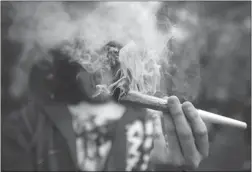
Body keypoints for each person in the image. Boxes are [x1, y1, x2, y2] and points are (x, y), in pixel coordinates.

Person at [2, 41, 209, 171]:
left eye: (106, 59)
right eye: (87, 59)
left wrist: (171, 169)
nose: (98, 72)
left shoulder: (152, 125)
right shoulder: (28, 124)